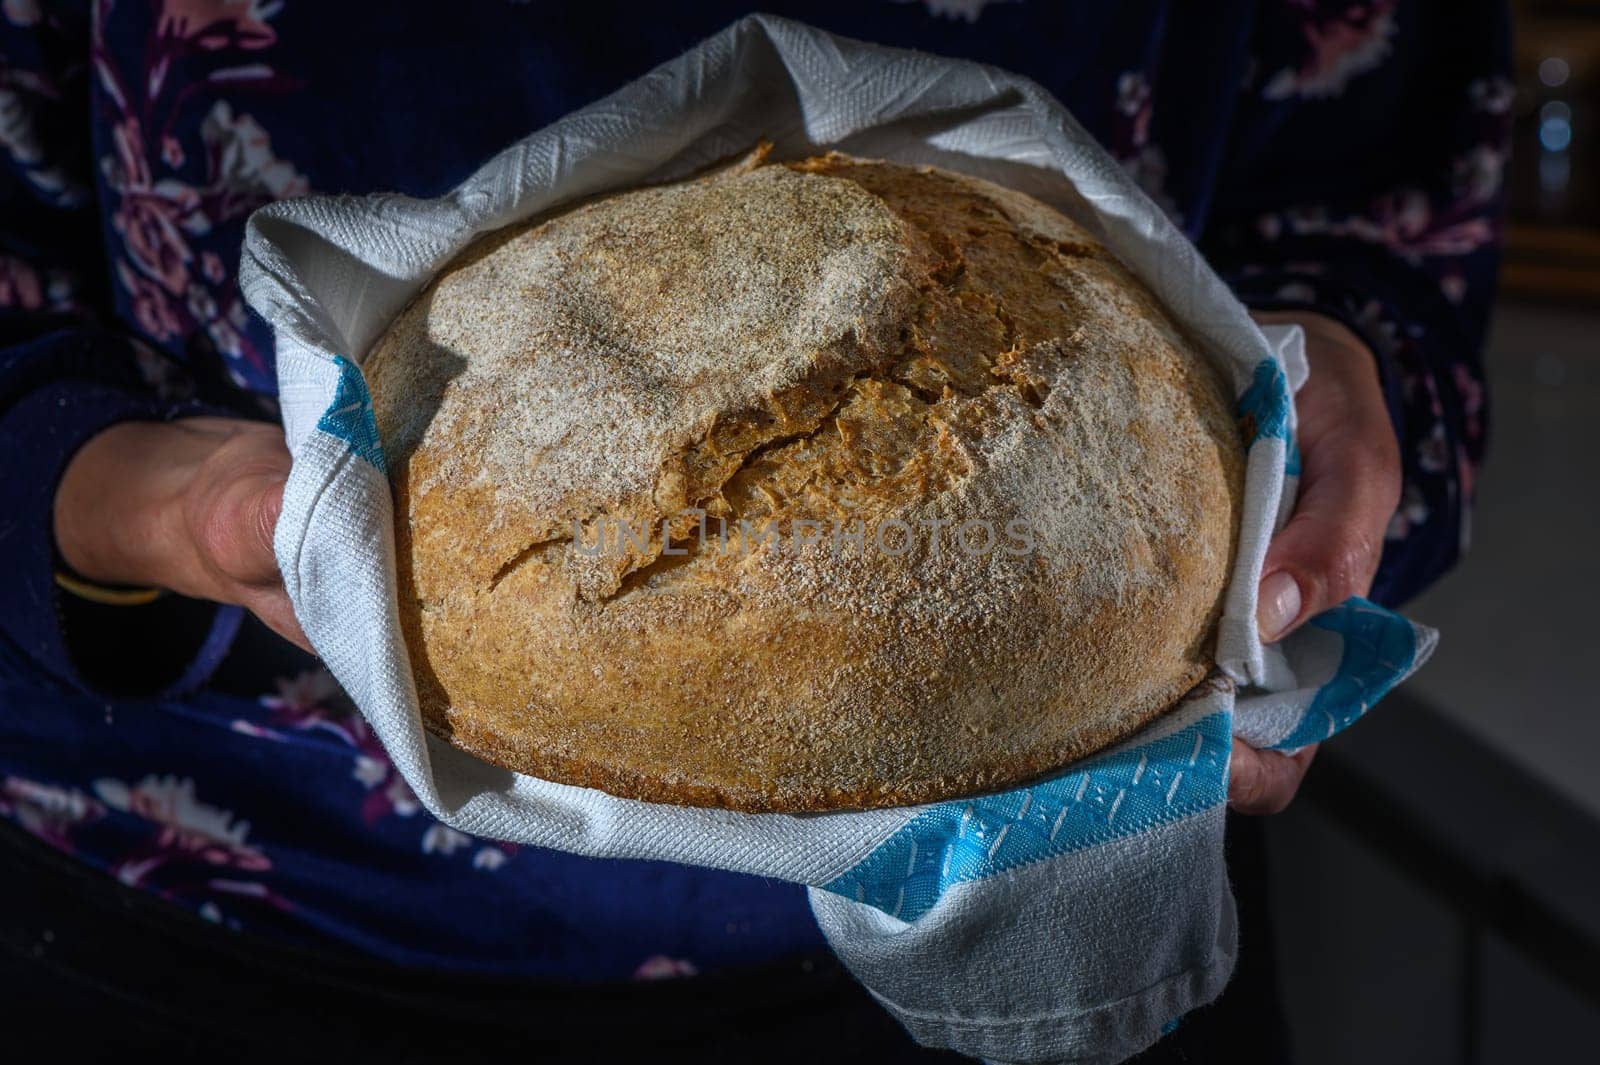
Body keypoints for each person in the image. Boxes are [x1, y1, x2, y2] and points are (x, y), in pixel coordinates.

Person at [0, 1, 1507, 1060]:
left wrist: (1328, 383)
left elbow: (1385, 204)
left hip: (1066, 927)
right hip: (218, 942)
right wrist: (136, 501)